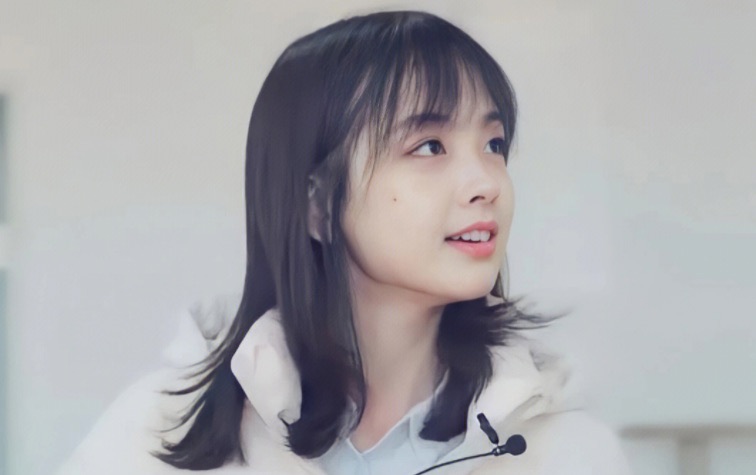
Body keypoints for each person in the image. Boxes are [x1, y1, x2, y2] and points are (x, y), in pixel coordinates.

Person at [57, 10, 633, 475]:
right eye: (429, 146)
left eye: (494, 144)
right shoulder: (157, 436)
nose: (487, 183)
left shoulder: (568, 452)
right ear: (318, 205)